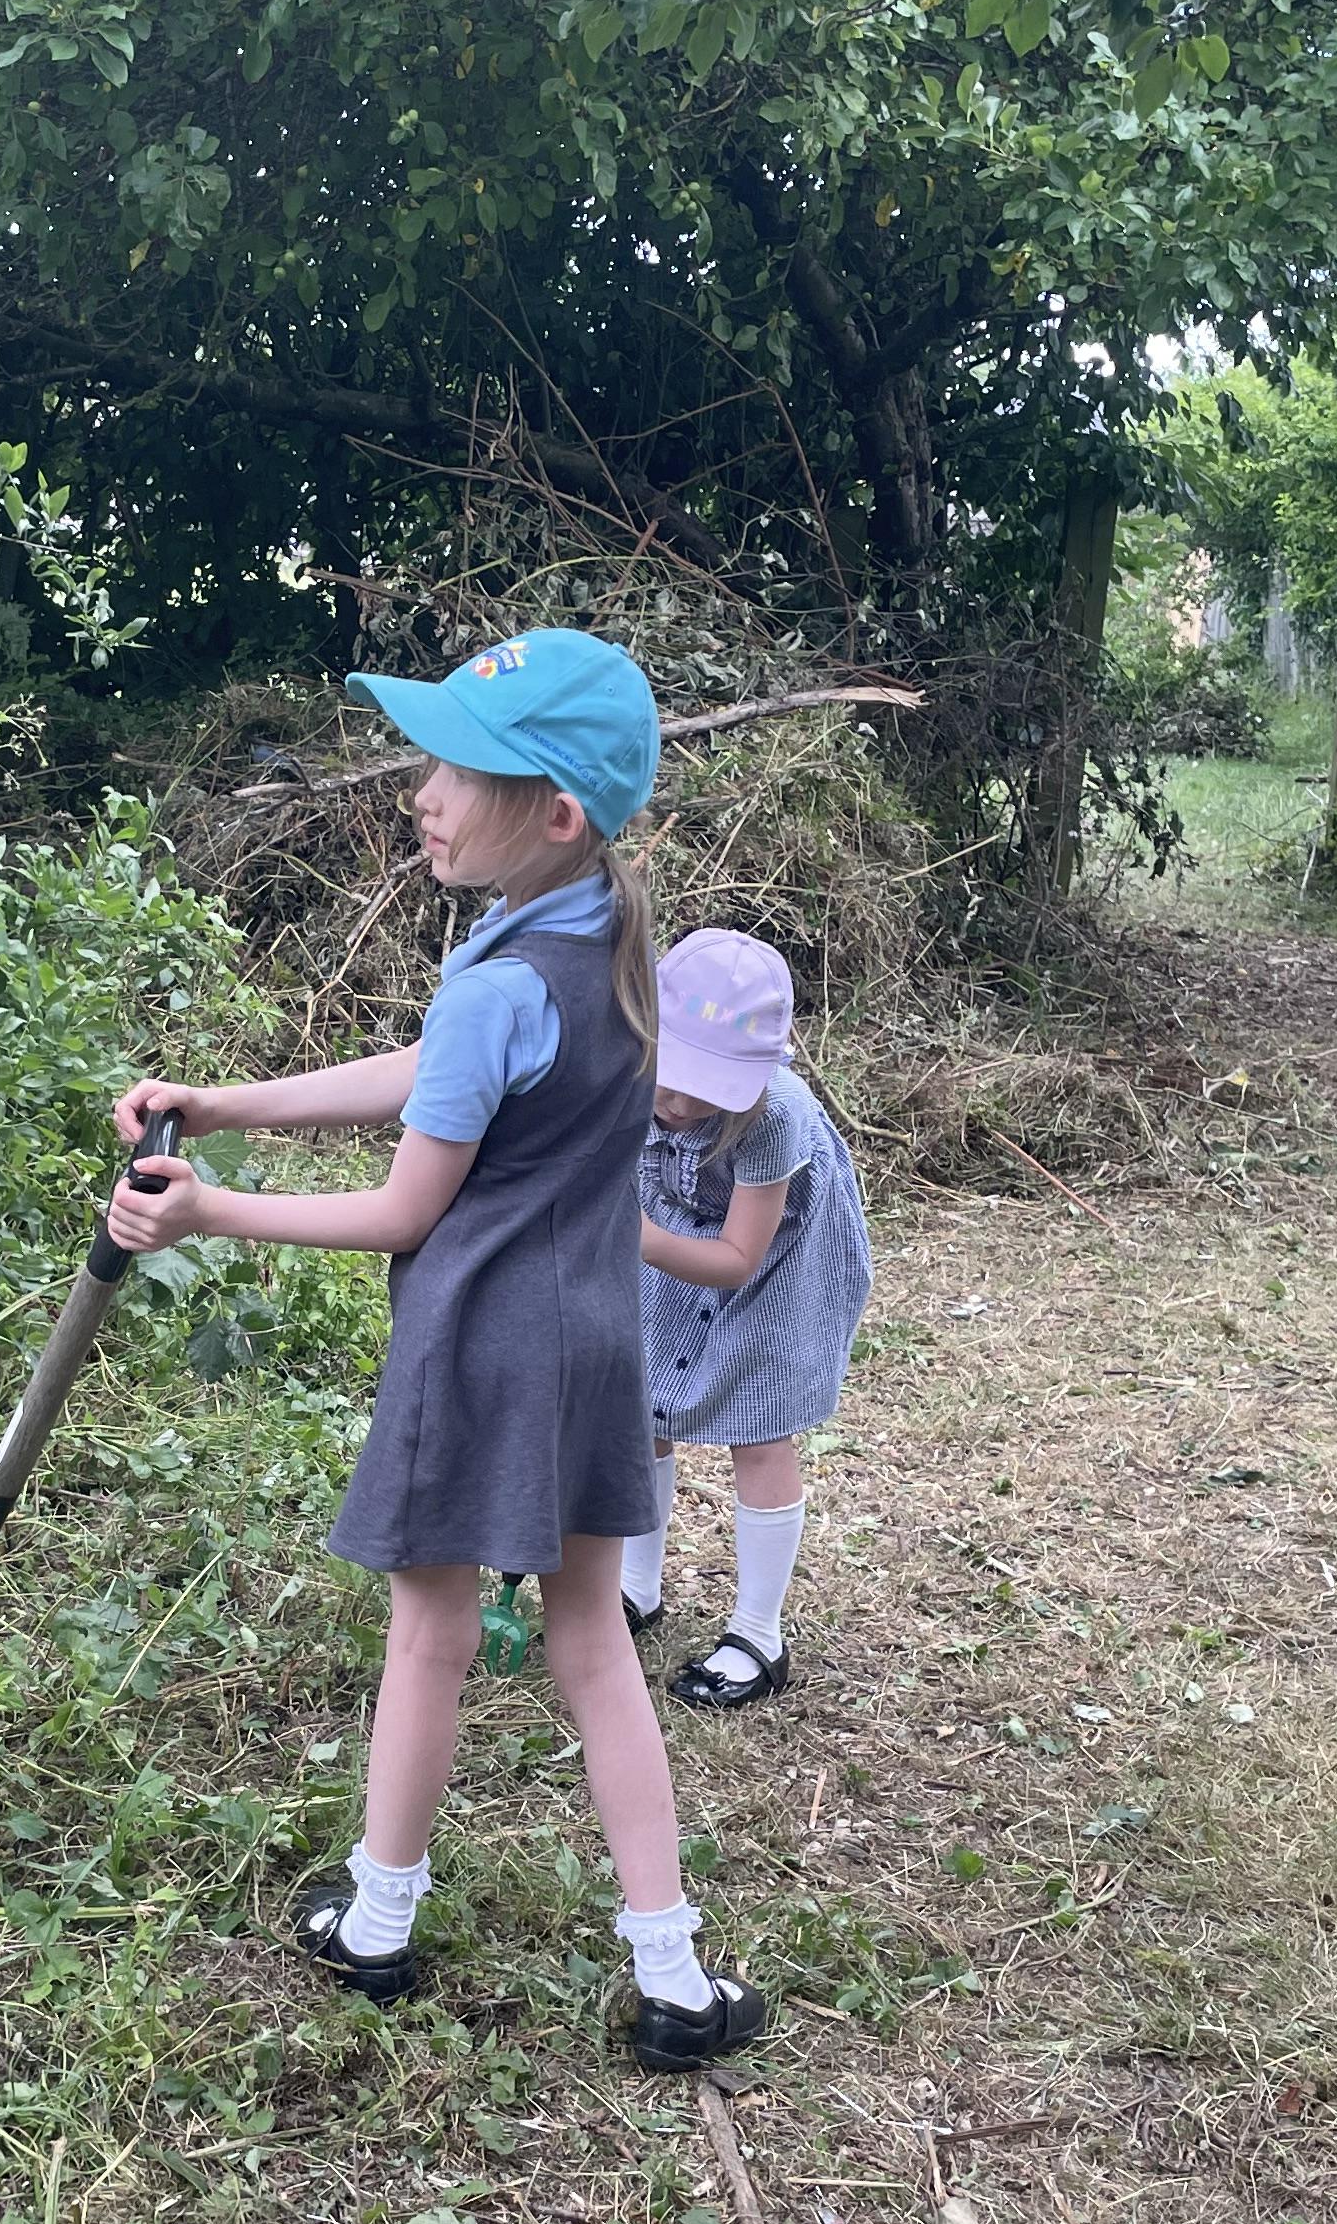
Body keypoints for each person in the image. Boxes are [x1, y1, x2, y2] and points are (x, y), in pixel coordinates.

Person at [105, 627, 765, 2076]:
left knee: (431, 1634)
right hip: (595, 1343)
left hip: (477, 1350)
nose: (424, 790)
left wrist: (210, 1209)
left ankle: (378, 1924)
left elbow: (406, 1206)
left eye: (459, 770)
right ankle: (674, 1973)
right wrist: (227, 1102)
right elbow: (437, 1074)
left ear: (555, 813)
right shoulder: (609, 937)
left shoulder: (497, 979)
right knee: (594, 1642)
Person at [624, 927, 872, 1709]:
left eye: (706, 1089)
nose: (678, 1105)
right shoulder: (624, 1070)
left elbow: (737, 1257)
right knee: (640, 1403)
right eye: (669, 1079)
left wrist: (628, 1235)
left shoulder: (773, 1115)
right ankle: (635, 1586)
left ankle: (758, 1636)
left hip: (776, 1257)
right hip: (669, 1232)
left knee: (761, 1431)